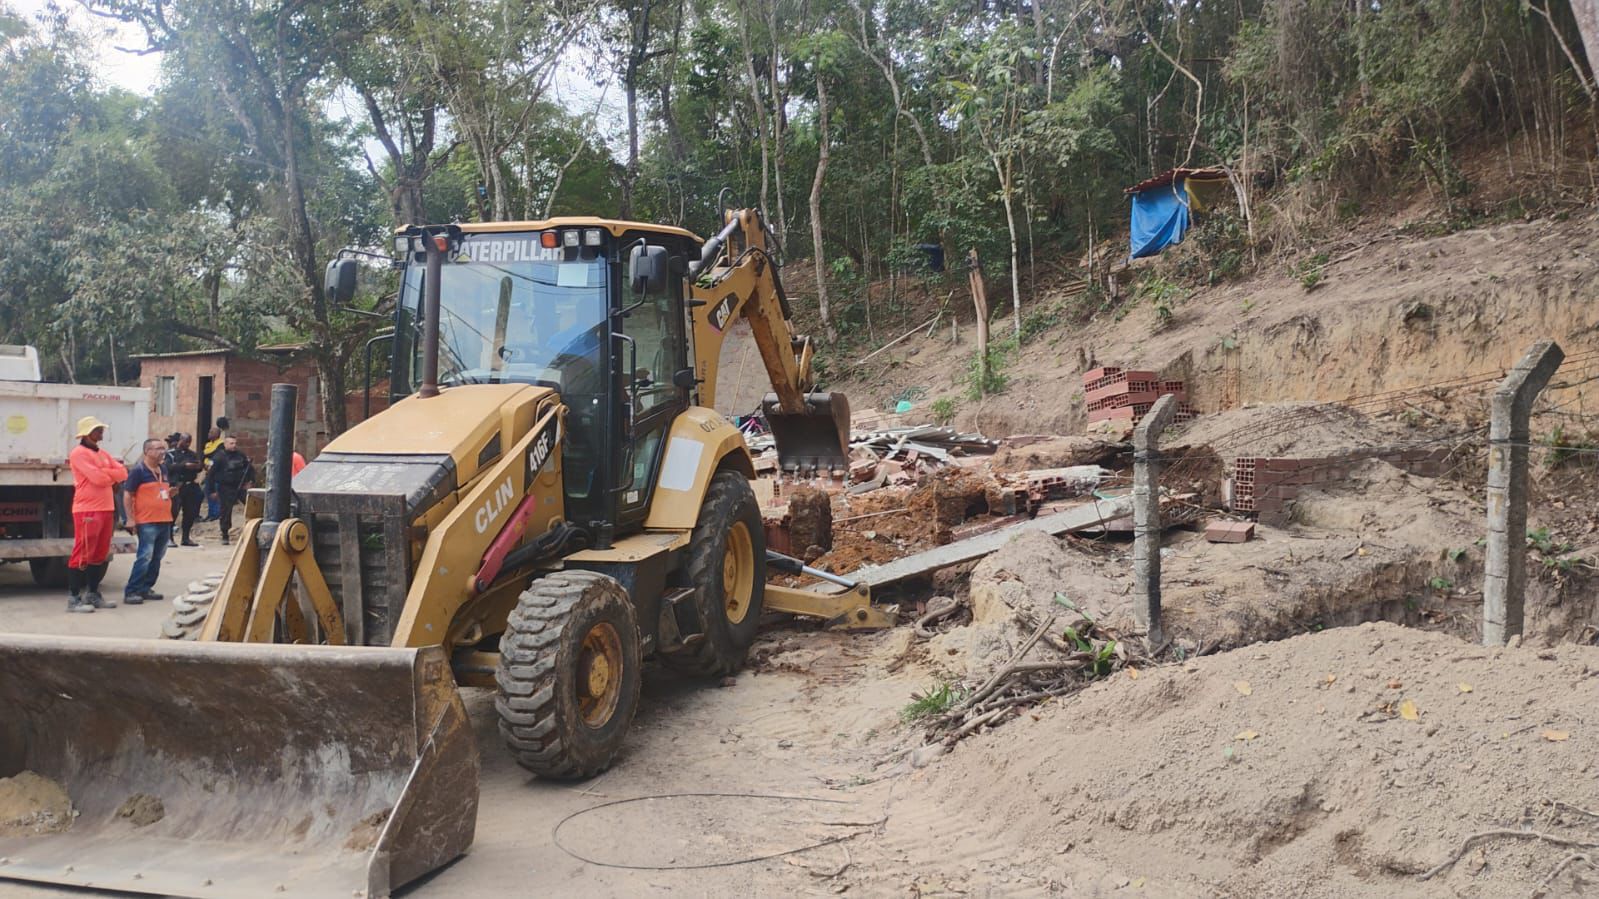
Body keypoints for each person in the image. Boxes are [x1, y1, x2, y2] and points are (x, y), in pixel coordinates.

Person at [66, 416, 127, 613]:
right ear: (87, 433)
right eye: (97, 429)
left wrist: (105, 472)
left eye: (101, 429)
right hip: (87, 509)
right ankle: (74, 598)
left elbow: (123, 473)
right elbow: (99, 479)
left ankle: (92, 593)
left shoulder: (102, 453)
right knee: (82, 552)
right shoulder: (78, 453)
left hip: (106, 508)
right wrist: (110, 473)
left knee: (99, 553)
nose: (101, 432)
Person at [122, 438, 172, 604]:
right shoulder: (138, 471)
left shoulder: (163, 469)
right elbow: (127, 494)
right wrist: (130, 519)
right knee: (145, 556)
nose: (162, 451)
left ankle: (146, 587)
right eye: (158, 448)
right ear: (147, 451)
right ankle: (132, 590)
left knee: (157, 556)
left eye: (163, 448)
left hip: (164, 519)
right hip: (147, 521)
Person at [204, 435, 254, 546]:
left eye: (235, 443)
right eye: (231, 443)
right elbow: (210, 475)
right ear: (225, 444)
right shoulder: (219, 457)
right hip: (226, 487)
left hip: (240, 486)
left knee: (251, 506)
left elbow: (249, 468)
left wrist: (250, 481)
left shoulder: (240, 455)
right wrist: (212, 491)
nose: (234, 445)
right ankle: (225, 534)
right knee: (226, 511)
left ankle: (252, 529)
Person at [165, 433, 204, 546]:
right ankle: (169, 537)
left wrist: (196, 466)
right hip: (176, 486)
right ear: (180, 440)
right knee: (173, 512)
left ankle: (185, 538)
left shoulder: (192, 454)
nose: (187, 444)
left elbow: (198, 466)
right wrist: (184, 466)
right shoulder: (170, 454)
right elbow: (168, 467)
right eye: (185, 441)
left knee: (190, 513)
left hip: (190, 485)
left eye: (189, 442)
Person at [202, 425, 224, 521]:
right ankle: (211, 513)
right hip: (208, 472)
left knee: (215, 493)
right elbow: (204, 455)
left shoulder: (221, 444)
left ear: (217, 434)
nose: (209, 434)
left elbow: (213, 454)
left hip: (216, 474)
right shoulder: (208, 444)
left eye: (211, 432)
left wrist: (207, 455)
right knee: (208, 493)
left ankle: (216, 514)